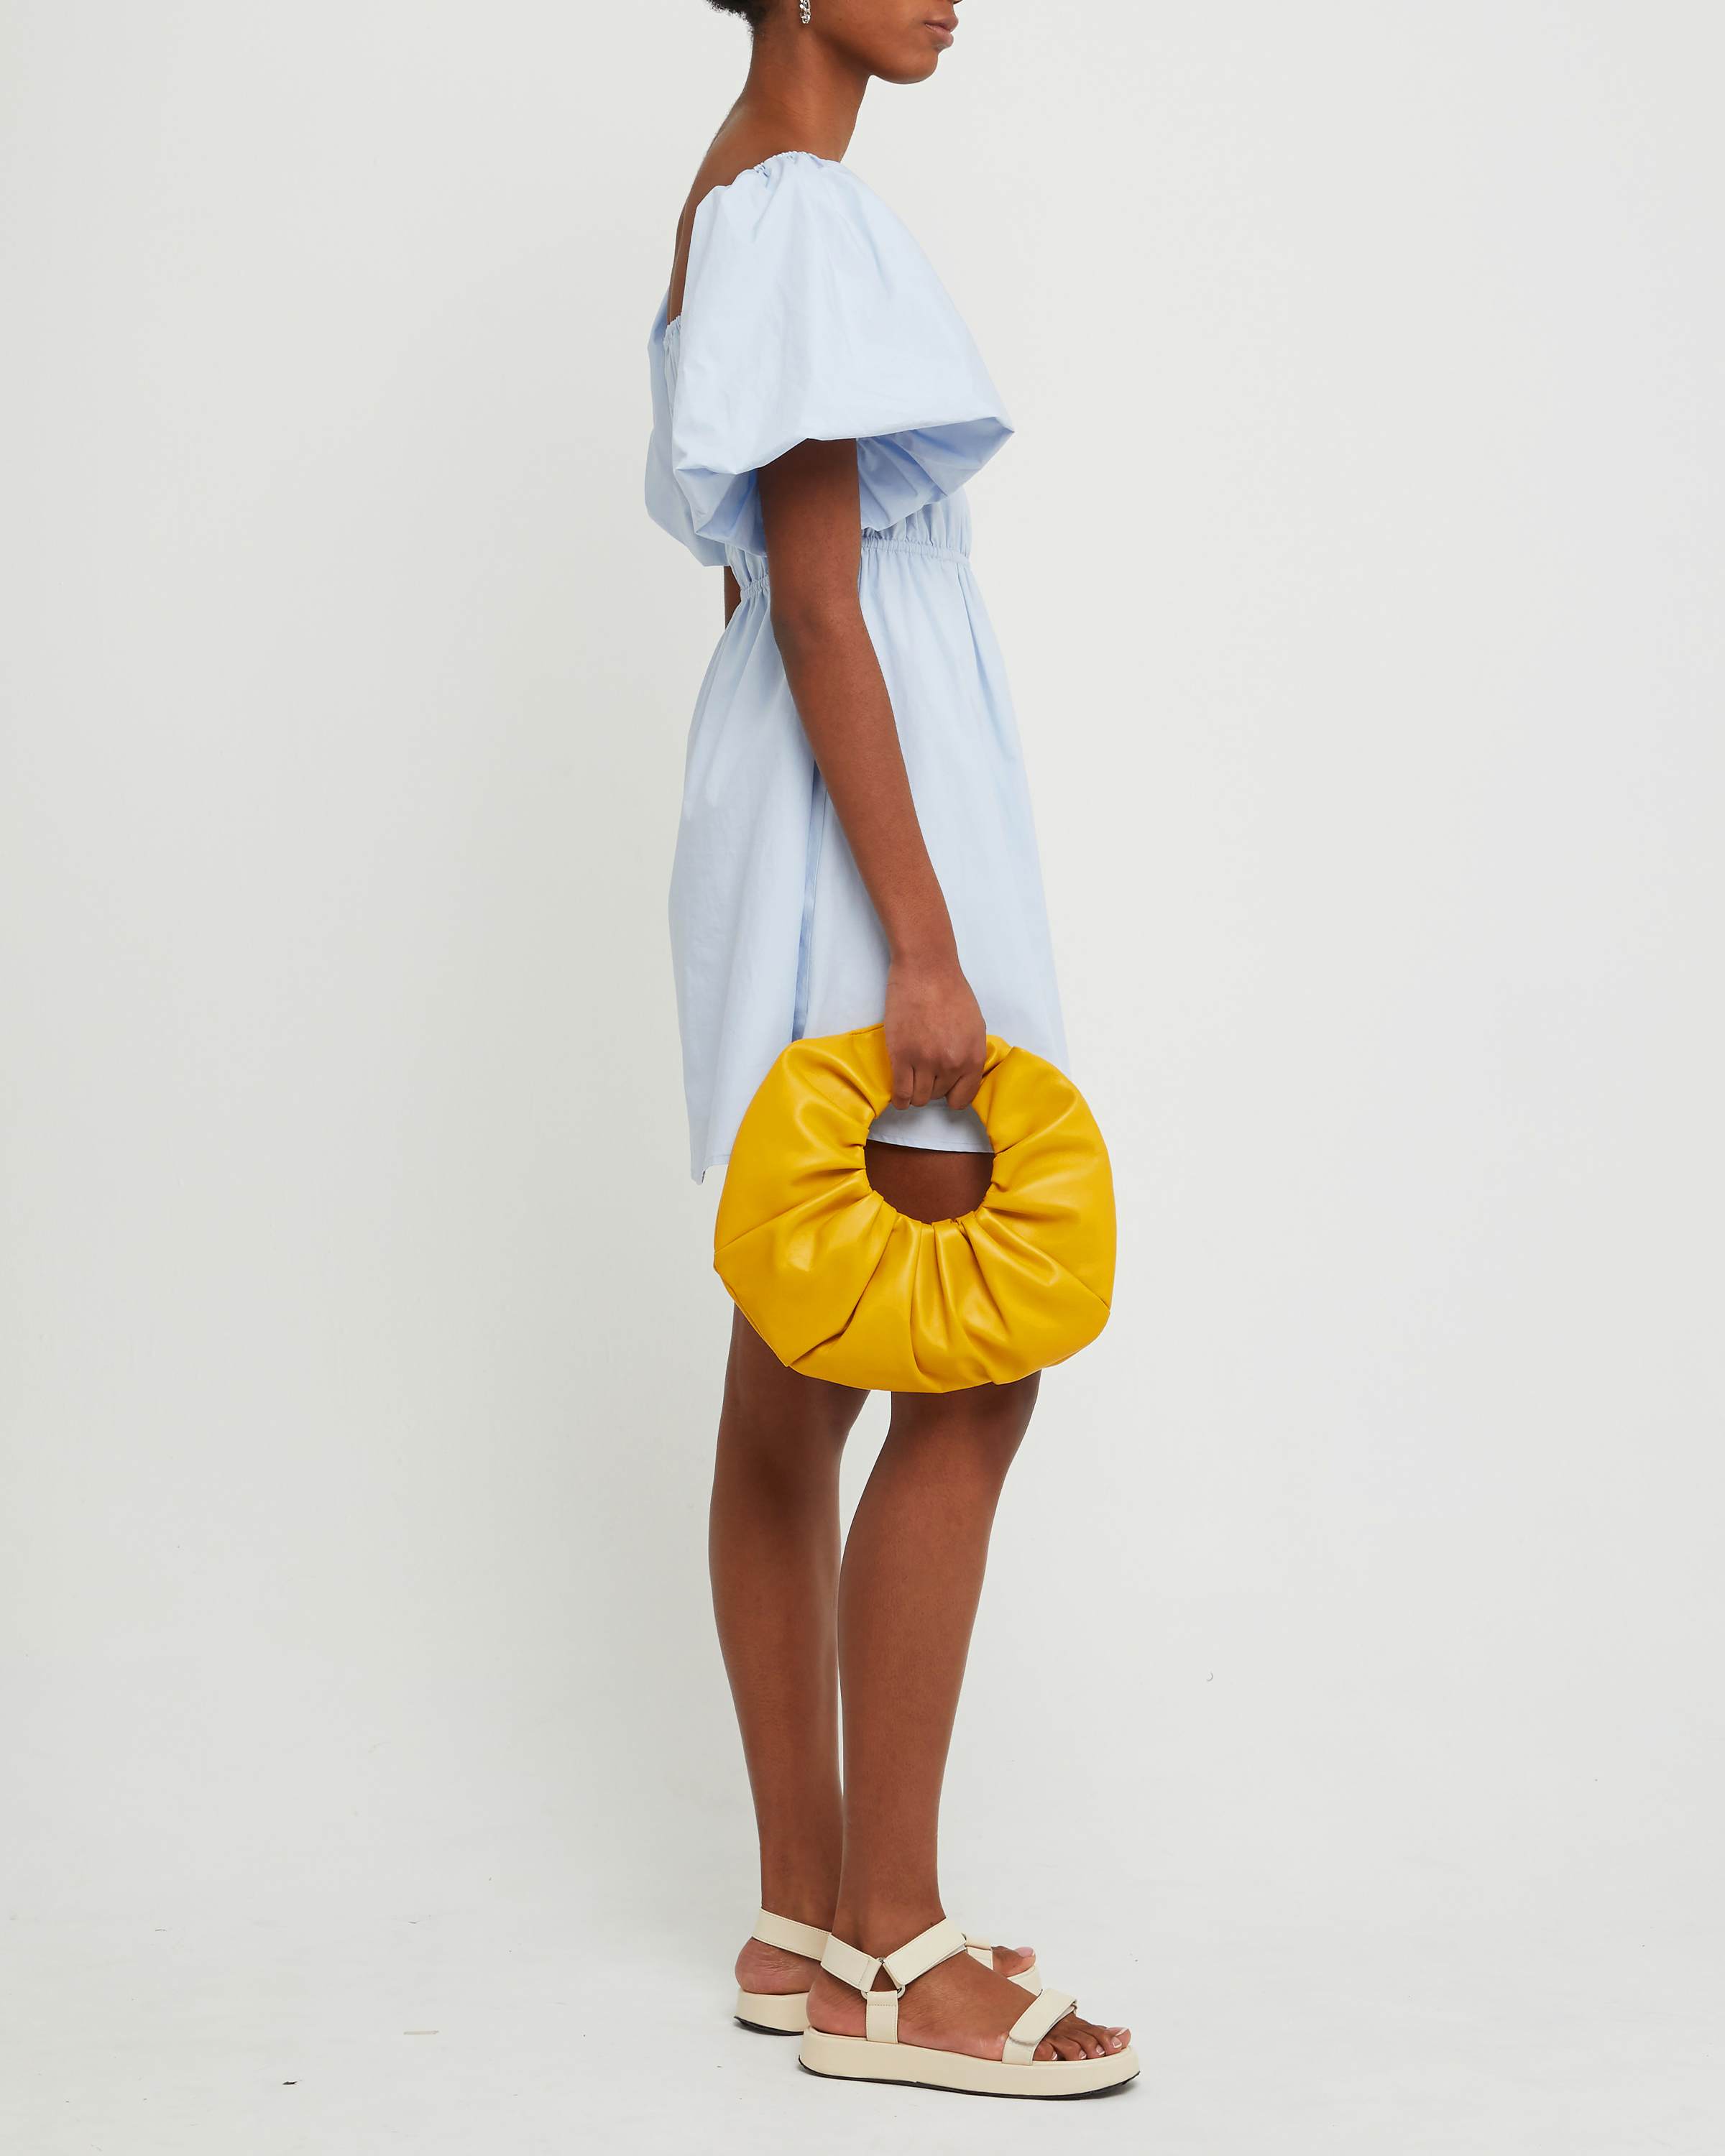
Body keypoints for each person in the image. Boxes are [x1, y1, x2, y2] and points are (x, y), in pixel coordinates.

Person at [644, 0, 1134, 2096]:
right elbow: (827, 601)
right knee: (965, 1356)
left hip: (803, 806)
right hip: (873, 836)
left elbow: (762, 598)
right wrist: (921, 942)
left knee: (798, 1367)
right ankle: (902, 1953)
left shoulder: (726, 197)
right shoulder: (801, 212)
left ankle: (806, 1918)